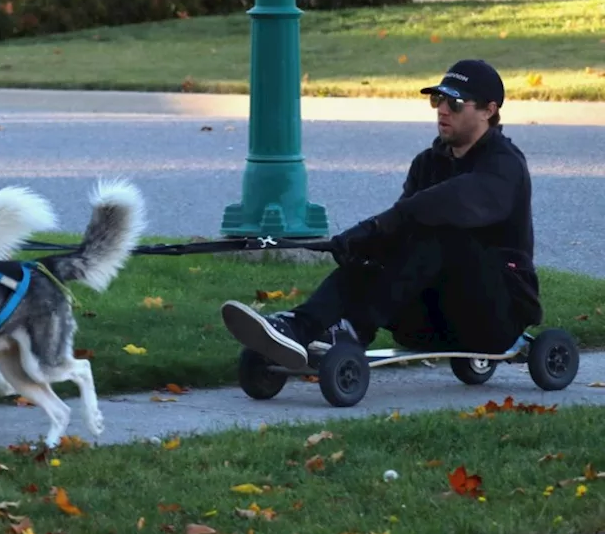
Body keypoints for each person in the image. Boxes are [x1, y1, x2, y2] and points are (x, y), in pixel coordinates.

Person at [221, 59, 543, 368]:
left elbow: (446, 203)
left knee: (440, 233)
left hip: (496, 318)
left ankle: (352, 330)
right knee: (374, 254)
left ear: (489, 110)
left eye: (455, 104)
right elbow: (401, 230)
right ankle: (299, 328)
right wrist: (360, 243)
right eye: (438, 100)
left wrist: (378, 225)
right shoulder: (427, 164)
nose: (443, 110)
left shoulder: (504, 166)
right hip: (433, 317)